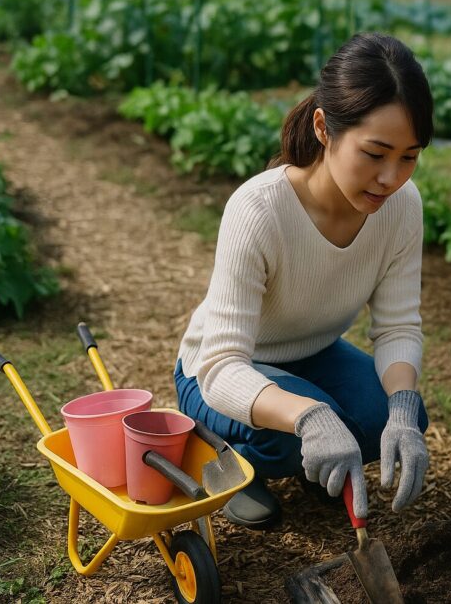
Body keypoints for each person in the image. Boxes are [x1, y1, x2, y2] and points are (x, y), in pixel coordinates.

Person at [174, 33, 433, 530]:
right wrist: (311, 417)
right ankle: (219, 457)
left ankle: (317, 450)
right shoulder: (260, 209)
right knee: (312, 424)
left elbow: (398, 325)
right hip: (218, 373)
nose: (390, 177)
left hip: (312, 355)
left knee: (399, 416)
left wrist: (400, 406)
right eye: (375, 153)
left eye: (409, 156)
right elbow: (221, 365)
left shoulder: (402, 206)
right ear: (323, 128)